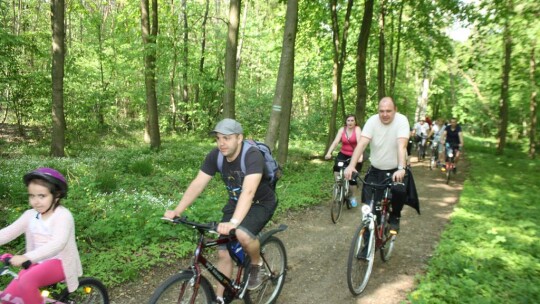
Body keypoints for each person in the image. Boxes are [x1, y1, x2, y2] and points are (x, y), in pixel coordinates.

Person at [164, 118, 277, 304]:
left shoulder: (252, 156)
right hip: (235, 202)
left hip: (261, 202)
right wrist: (177, 210)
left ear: (239, 138)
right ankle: (219, 298)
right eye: (218, 138)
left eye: (227, 138)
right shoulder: (215, 156)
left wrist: (234, 223)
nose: (221, 143)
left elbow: (248, 192)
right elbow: (198, 183)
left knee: (243, 234)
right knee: (223, 252)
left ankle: (257, 264)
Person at [0, 168, 82, 304]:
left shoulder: (63, 216)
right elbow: (7, 233)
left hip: (60, 262)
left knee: (27, 281)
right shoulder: (30, 215)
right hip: (36, 262)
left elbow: (58, 243)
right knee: (8, 298)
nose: (36, 201)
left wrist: (27, 257)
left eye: (41, 196)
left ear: (57, 195)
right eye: (32, 196)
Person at [344, 97, 419, 234]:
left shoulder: (401, 120)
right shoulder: (372, 121)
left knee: (399, 191)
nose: (385, 114)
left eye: (388, 111)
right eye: (381, 111)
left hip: (396, 169)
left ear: (395, 110)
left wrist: (401, 168)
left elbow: (401, 146)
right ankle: (368, 239)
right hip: (376, 169)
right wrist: (351, 166)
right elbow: (361, 144)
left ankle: (395, 216)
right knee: (369, 207)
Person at [324, 114, 363, 207]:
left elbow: (360, 143)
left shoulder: (357, 129)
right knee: (337, 168)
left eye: (352, 120)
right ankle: (339, 185)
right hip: (343, 154)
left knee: (352, 179)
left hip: (354, 155)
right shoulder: (342, 129)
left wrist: (360, 156)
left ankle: (352, 196)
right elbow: (335, 142)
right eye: (348, 120)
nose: (350, 122)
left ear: (355, 122)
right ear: (346, 122)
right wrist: (329, 153)